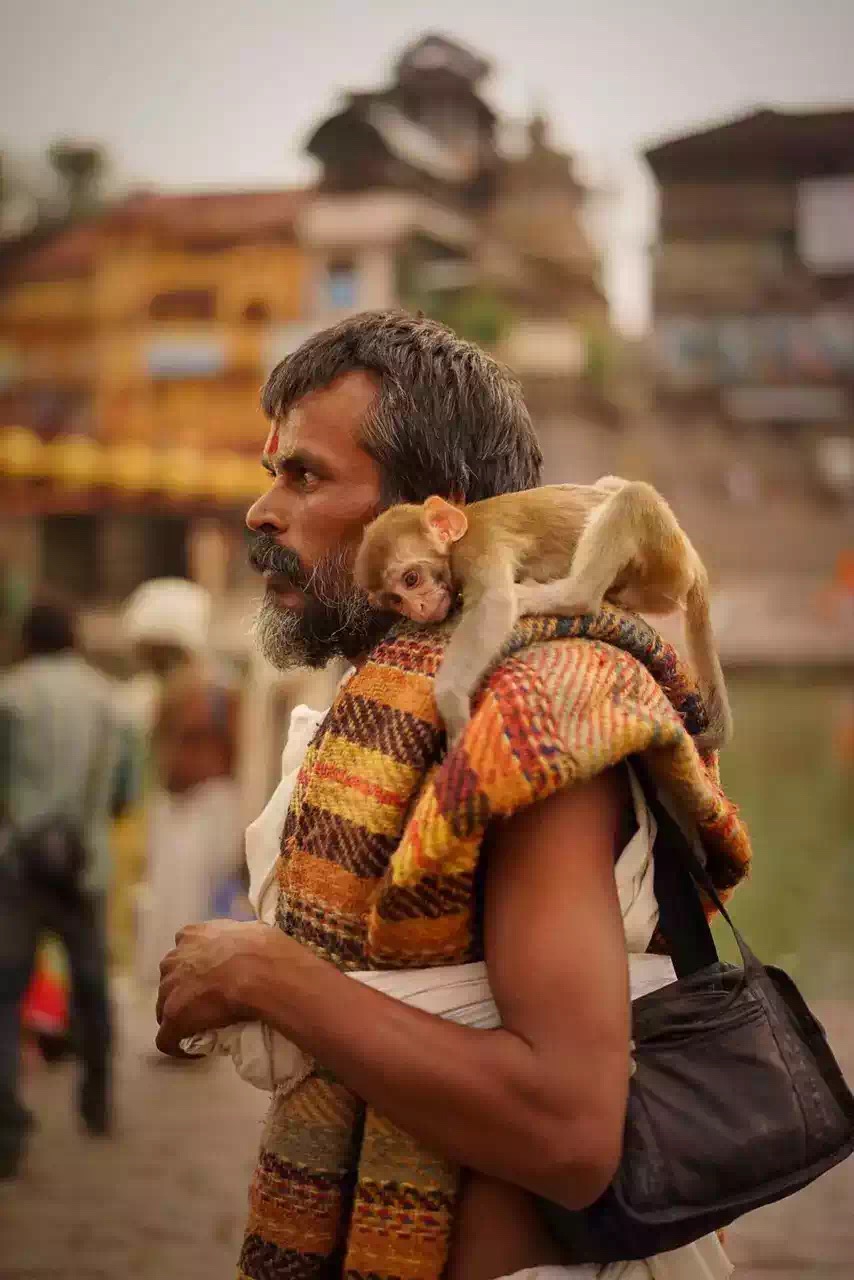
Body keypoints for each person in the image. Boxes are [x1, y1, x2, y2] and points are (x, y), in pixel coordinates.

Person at [155, 311, 749, 1279]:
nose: (263, 511)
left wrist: (267, 977)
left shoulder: (529, 722)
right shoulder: (386, 702)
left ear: (440, 517)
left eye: (303, 474)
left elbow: (565, 1132)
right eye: (272, 471)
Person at [0, 598, 133, 1176]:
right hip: (86, 865)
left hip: (18, 867)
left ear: (27, 638)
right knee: (91, 984)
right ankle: (97, 1102)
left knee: (5, 993)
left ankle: (8, 1124)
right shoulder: (110, 701)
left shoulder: (9, 696)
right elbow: (127, 787)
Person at [116, 578, 243, 990]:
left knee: (197, 915)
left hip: (208, 810)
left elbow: (232, 751)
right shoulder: (162, 693)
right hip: (175, 812)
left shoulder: (216, 690)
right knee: (165, 914)